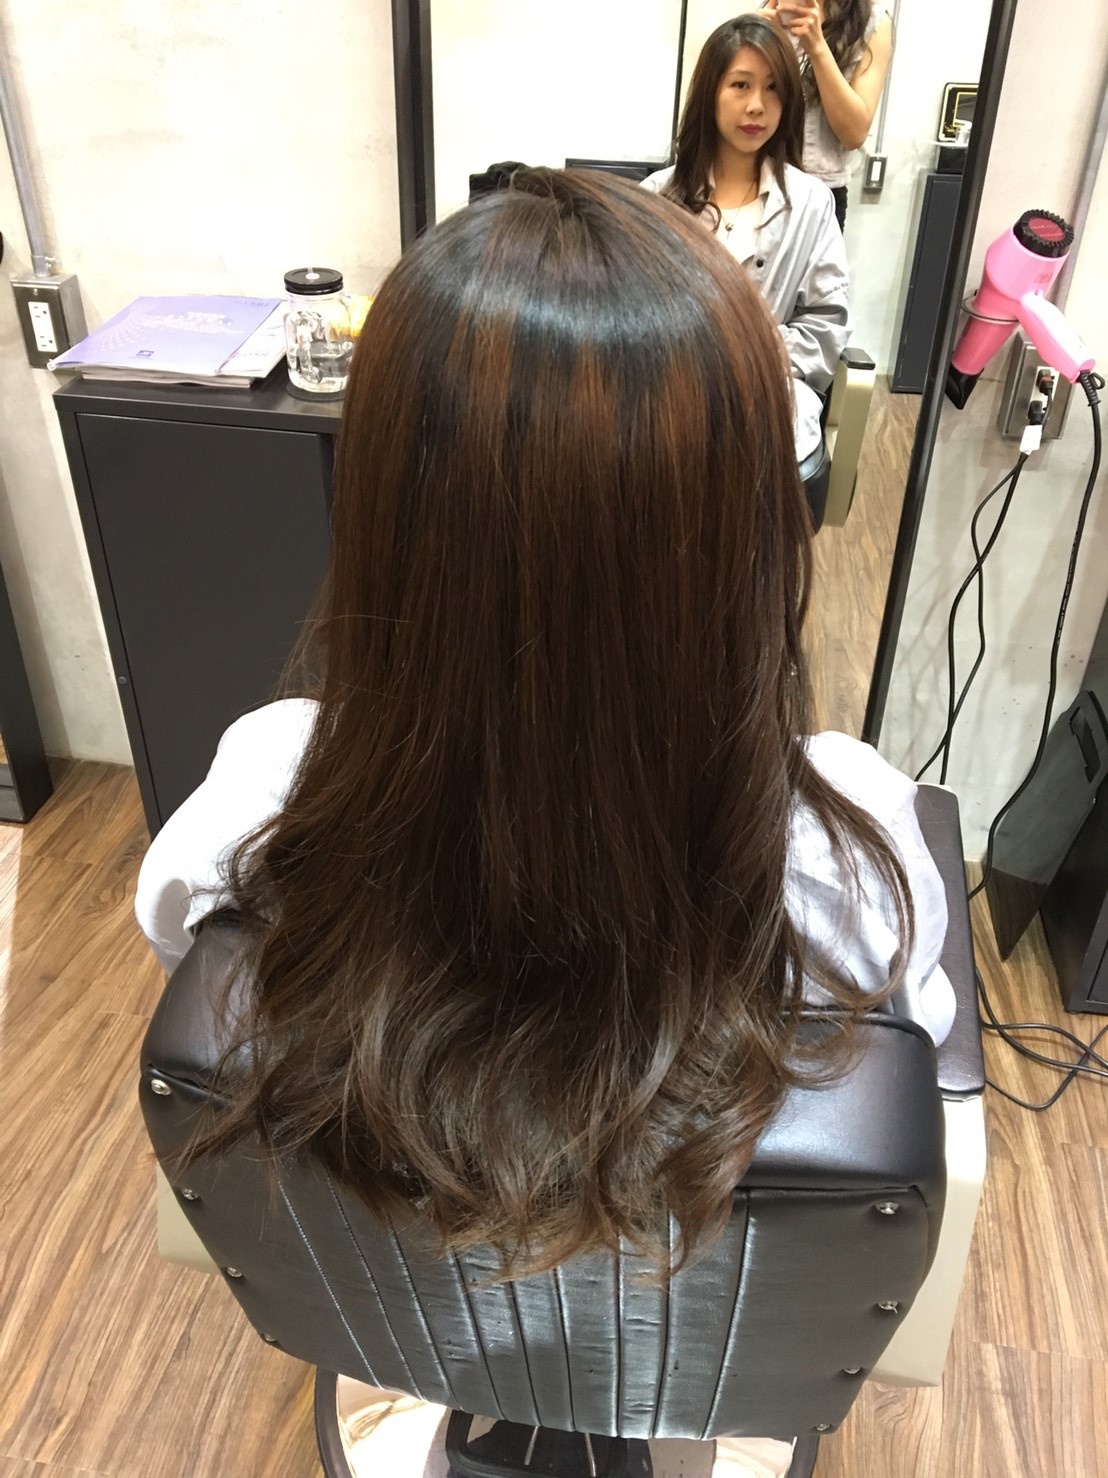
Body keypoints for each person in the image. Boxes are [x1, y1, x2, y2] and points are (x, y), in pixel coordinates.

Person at [136, 169, 954, 1282]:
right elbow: (908, 1060)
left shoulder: (256, 810)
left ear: (386, 513)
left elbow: (207, 985)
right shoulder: (850, 866)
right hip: (690, 1297)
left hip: (404, 1295)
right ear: (744, 527)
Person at [642, 15, 847, 463]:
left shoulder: (811, 203)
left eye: (773, 88)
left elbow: (825, 327)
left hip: (768, 398)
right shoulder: (656, 197)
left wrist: (747, 355)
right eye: (740, 85)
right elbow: (629, 315)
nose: (757, 105)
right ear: (710, 92)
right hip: (671, 396)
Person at [763, 0, 894, 230]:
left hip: (822, 194)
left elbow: (854, 134)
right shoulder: (774, 8)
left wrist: (817, 48)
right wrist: (760, 43)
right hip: (760, 183)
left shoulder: (872, 23)